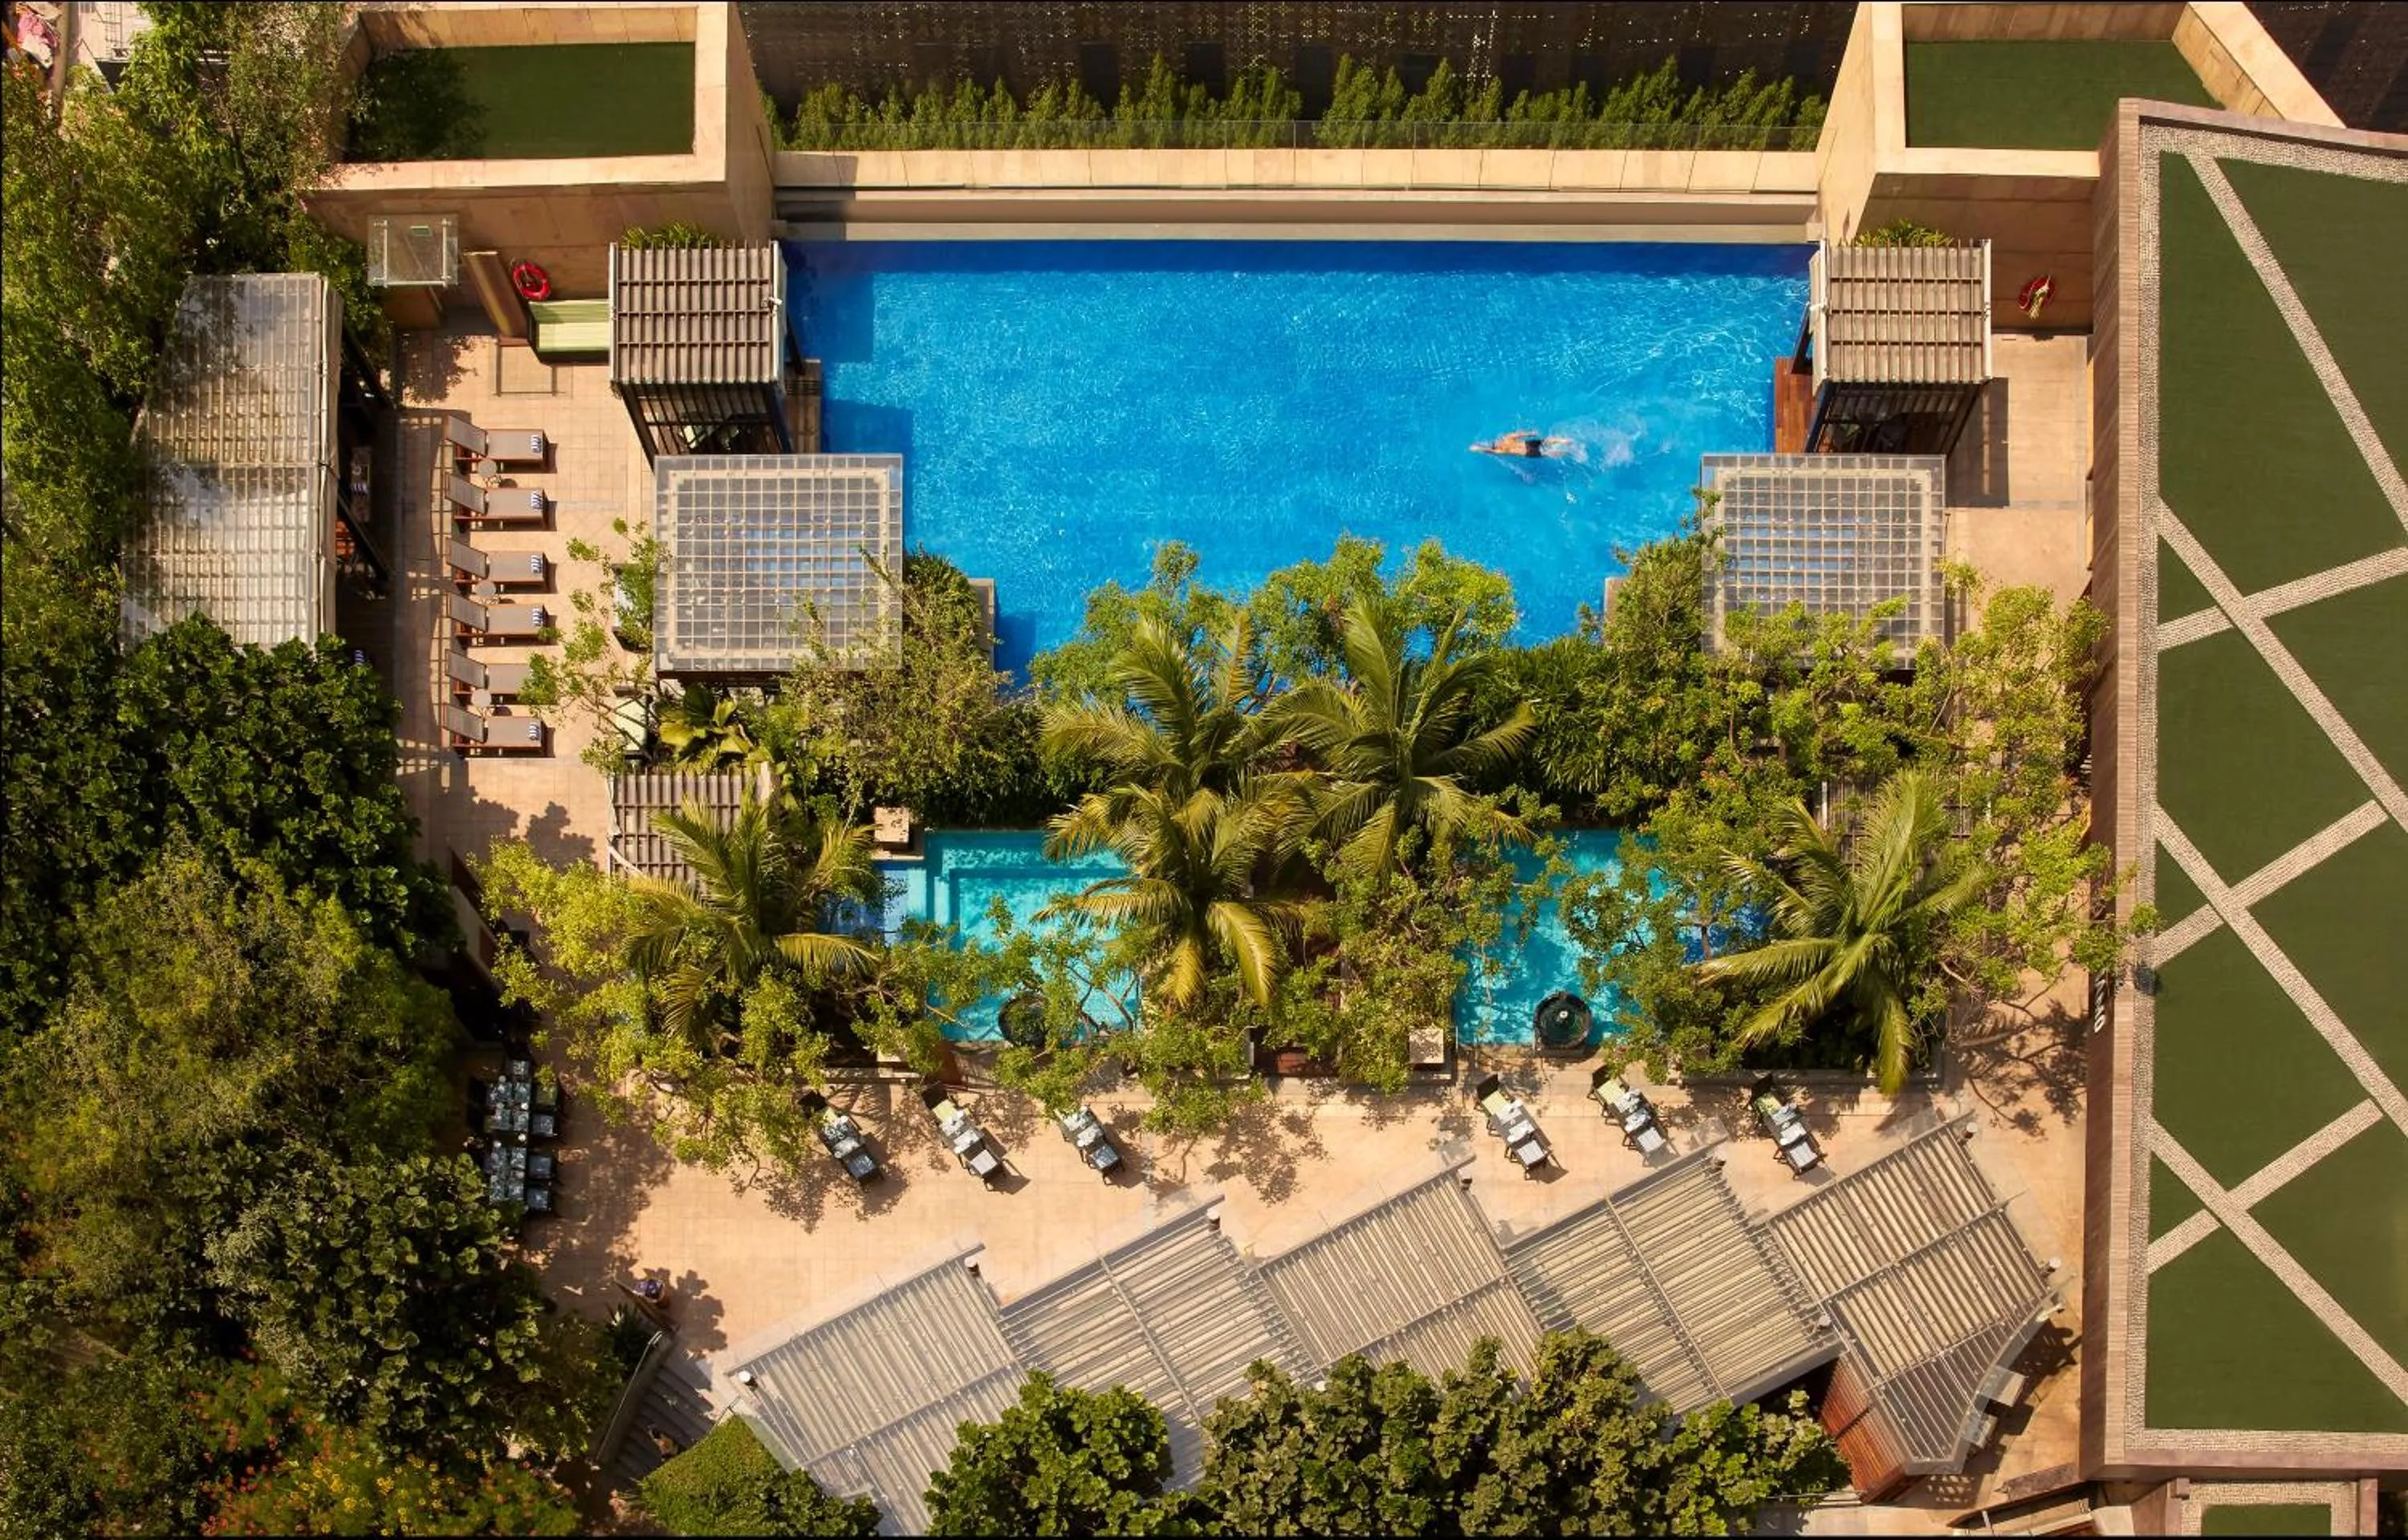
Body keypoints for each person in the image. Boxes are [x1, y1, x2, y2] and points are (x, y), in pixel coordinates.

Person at [1470, 429, 1572, 459]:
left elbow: (1490, 451)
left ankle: (1566, 449)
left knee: (1547, 451)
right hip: (1528, 447)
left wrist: (1478, 448)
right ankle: (1564, 444)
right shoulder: (1506, 438)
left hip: (1528, 449)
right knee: (1546, 444)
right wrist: (1531, 433)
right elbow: (1519, 434)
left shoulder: (1501, 449)